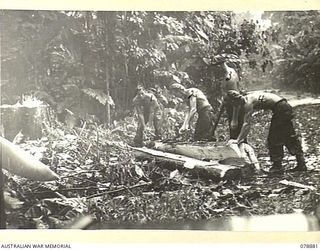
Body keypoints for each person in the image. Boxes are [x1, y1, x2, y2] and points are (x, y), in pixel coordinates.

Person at [226, 90, 307, 174]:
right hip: (284, 106)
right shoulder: (242, 98)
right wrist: (234, 120)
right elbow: (235, 111)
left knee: (274, 138)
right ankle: (301, 163)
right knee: (289, 136)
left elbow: (246, 125)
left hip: (281, 108)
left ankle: (277, 166)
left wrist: (238, 140)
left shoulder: (248, 103)